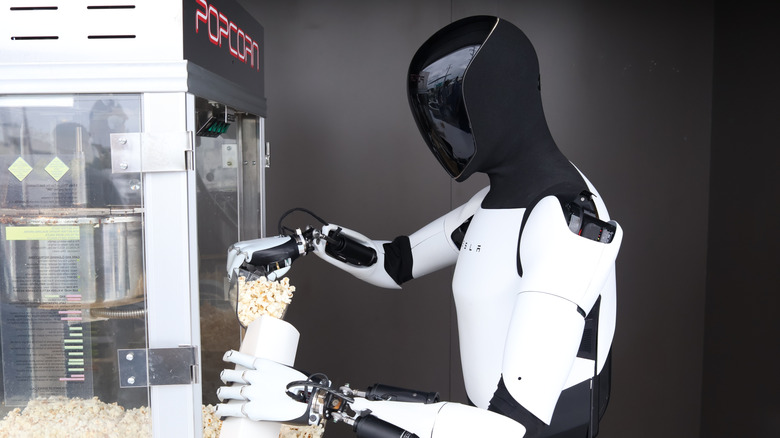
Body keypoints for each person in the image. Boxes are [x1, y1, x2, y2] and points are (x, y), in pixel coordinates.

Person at [217, 15, 623, 438]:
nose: (442, 129)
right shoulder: (499, 200)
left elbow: (512, 428)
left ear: (499, 94)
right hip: (478, 417)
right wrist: (304, 241)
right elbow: (395, 261)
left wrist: (320, 402)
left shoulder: (567, 223)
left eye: (450, 110)